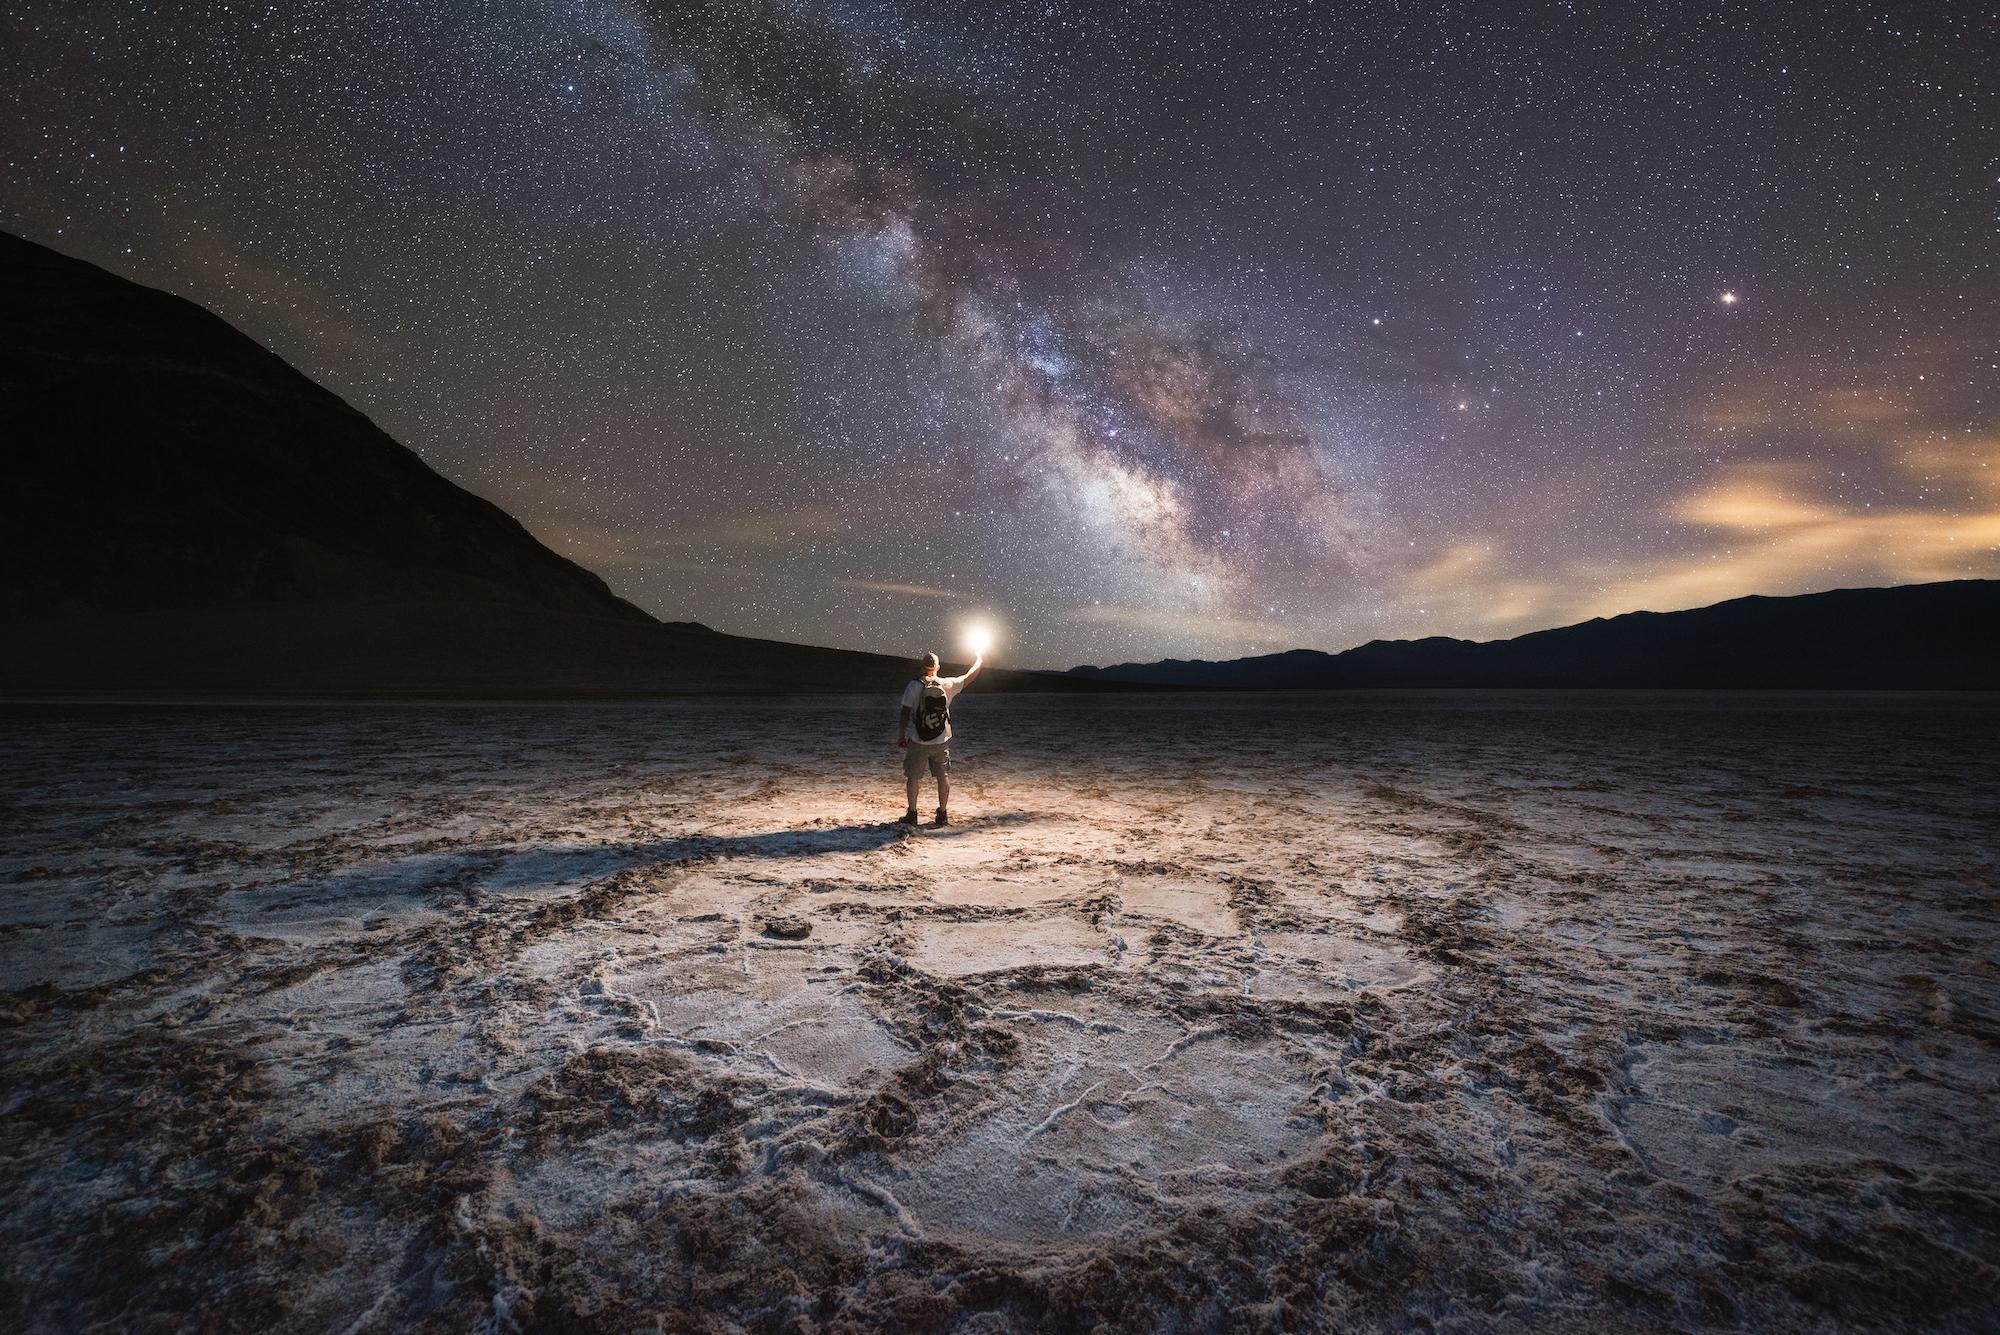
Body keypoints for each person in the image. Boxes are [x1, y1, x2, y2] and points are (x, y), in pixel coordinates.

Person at [896, 648, 983, 826]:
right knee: (942, 776)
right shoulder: (946, 684)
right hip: (941, 739)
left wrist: (901, 734)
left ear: (922, 667)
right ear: (938, 667)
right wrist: (980, 660)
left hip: (918, 738)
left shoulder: (914, 685)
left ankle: (912, 813)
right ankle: (942, 813)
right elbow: (969, 677)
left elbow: (905, 712)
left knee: (913, 777)